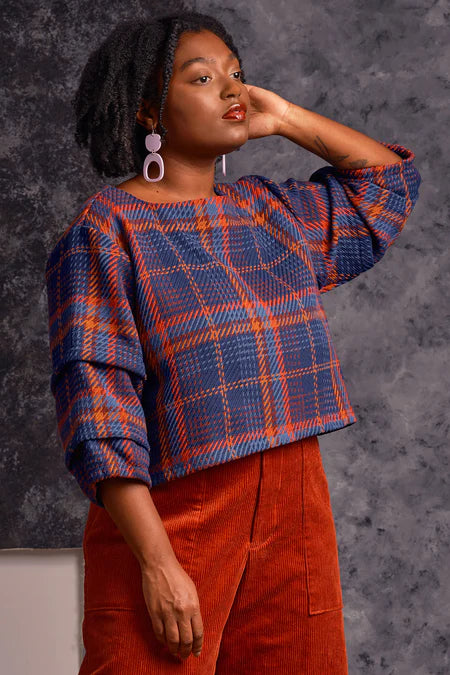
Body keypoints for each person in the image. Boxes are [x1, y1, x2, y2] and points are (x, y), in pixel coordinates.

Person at [44, 10, 421, 674]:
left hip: (296, 510)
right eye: (202, 77)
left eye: (236, 74)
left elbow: (384, 186)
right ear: (148, 110)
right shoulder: (106, 232)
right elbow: (99, 409)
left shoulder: (269, 213)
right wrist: (159, 564)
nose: (231, 89)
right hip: (174, 516)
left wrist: (285, 117)